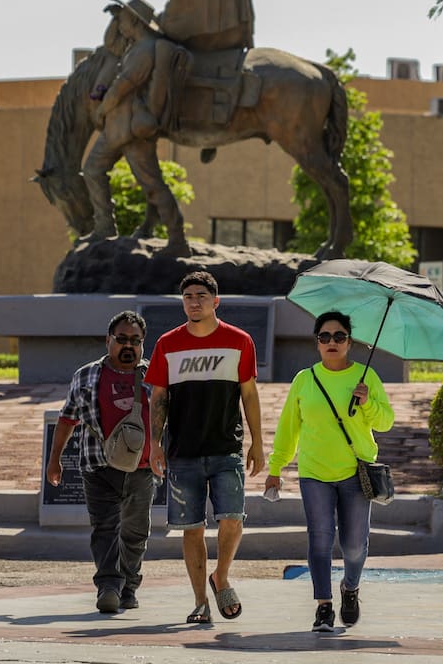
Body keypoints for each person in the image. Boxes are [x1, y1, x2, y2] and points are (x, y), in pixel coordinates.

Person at [146, 271, 264, 624]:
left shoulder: (239, 340)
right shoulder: (167, 343)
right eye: (188, 296)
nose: (194, 302)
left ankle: (221, 576)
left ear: (216, 301)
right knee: (192, 527)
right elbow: (159, 397)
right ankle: (200, 601)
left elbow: (249, 394)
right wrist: (155, 443)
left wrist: (258, 443)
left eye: (201, 296)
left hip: (226, 447)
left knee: (233, 519)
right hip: (183, 451)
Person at [265, 310, 394, 632]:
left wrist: (367, 403)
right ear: (317, 342)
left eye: (339, 336)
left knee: (354, 544)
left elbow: (386, 422)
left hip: (355, 472)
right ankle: (324, 606)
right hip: (314, 472)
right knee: (320, 539)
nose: (331, 342)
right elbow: (289, 428)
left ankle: (350, 587)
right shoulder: (304, 379)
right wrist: (276, 467)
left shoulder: (366, 376)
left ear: (349, 342)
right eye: (325, 336)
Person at [45, 310, 156, 613]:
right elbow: (67, 419)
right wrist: (55, 460)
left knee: (135, 532)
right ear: (108, 340)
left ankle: (128, 588)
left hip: (142, 468)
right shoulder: (86, 375)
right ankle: (108, 587)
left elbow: (168, 420)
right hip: (97, 465)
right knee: (105, 528)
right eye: (122, 339)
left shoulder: (155, 376)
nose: (128, 345)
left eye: (135, 340)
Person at [80, 0, 187, 254]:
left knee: (151, 183)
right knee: (94, 169)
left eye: (124, 20)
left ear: (136, 22)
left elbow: (122, 86)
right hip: (121, 126)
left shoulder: (144, 51)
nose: (121, 25)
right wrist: (114, 17)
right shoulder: (135, 47)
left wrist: (102, 109)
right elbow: (111, 44)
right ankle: (105, 227)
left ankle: (177, 239)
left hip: (131, 129)